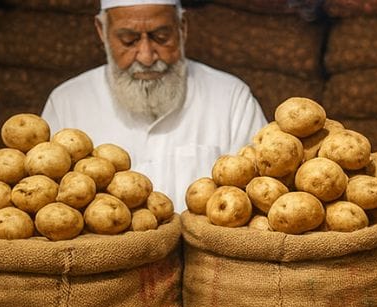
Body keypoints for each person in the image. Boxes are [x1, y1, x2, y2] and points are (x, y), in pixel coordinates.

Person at [41, 0, 267, 204]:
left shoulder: (231, 98)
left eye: (161, 37)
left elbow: (264, 191)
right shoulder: (66, 103)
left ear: (183, 27)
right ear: (102, 31)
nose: (146, 57)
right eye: (128, 40)